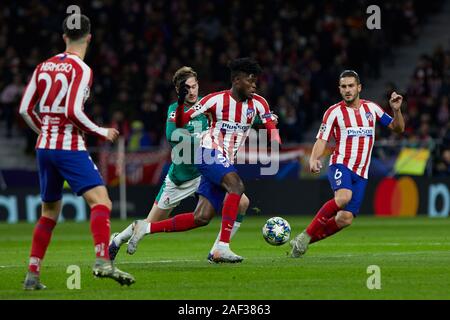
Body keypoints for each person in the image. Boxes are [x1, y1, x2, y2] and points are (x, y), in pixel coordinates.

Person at [18, 13, 135, 289]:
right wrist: (100, 130)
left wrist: (45, 131)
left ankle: (32, 275)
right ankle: (102, 261)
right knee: (102, 202)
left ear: (63, 37)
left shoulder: (43, 66)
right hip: (68, 147)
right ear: (89, 38)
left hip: (44, 148)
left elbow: (25, 109)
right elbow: (72, 110)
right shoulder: (82, 69)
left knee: (49, 213)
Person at [127, 58, 281, 263]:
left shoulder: (259, 103)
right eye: (250, 80)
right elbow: (182, 120)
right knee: (236, 186)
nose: (255, 85)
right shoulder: (214, 100)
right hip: (207, 152)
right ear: (236, 80)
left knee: (201, 217)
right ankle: (222, 247)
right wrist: (182, 102)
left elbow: (269, 124)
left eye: (256, 81)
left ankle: (145, 227)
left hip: (223, 159)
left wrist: (275, 139)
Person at [109, 66, 251, 262]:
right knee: (149, 224)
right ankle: (116, 240)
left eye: (194, 86)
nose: (192, 91)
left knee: (242, 202)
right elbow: (172, 136)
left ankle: (218, 250)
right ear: (179, 91)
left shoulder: (207, 106)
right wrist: (203, 138)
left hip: (204, 172)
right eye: (187, 88)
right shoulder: (175, 111)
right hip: (179, 179)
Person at [290, 70, 405, 258]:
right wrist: (313, 158)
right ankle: (306, 235)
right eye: (343, 86)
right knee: (343, 197)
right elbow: (322, 139)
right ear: (339, 89)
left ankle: (302, 242)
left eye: (351, 86)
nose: (347, 90)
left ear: (359, 87)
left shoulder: (372, 109)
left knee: (345, 218)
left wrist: (397, 110)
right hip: (341, 164)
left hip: (361, 173)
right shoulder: (333, 112)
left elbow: (398, 128)